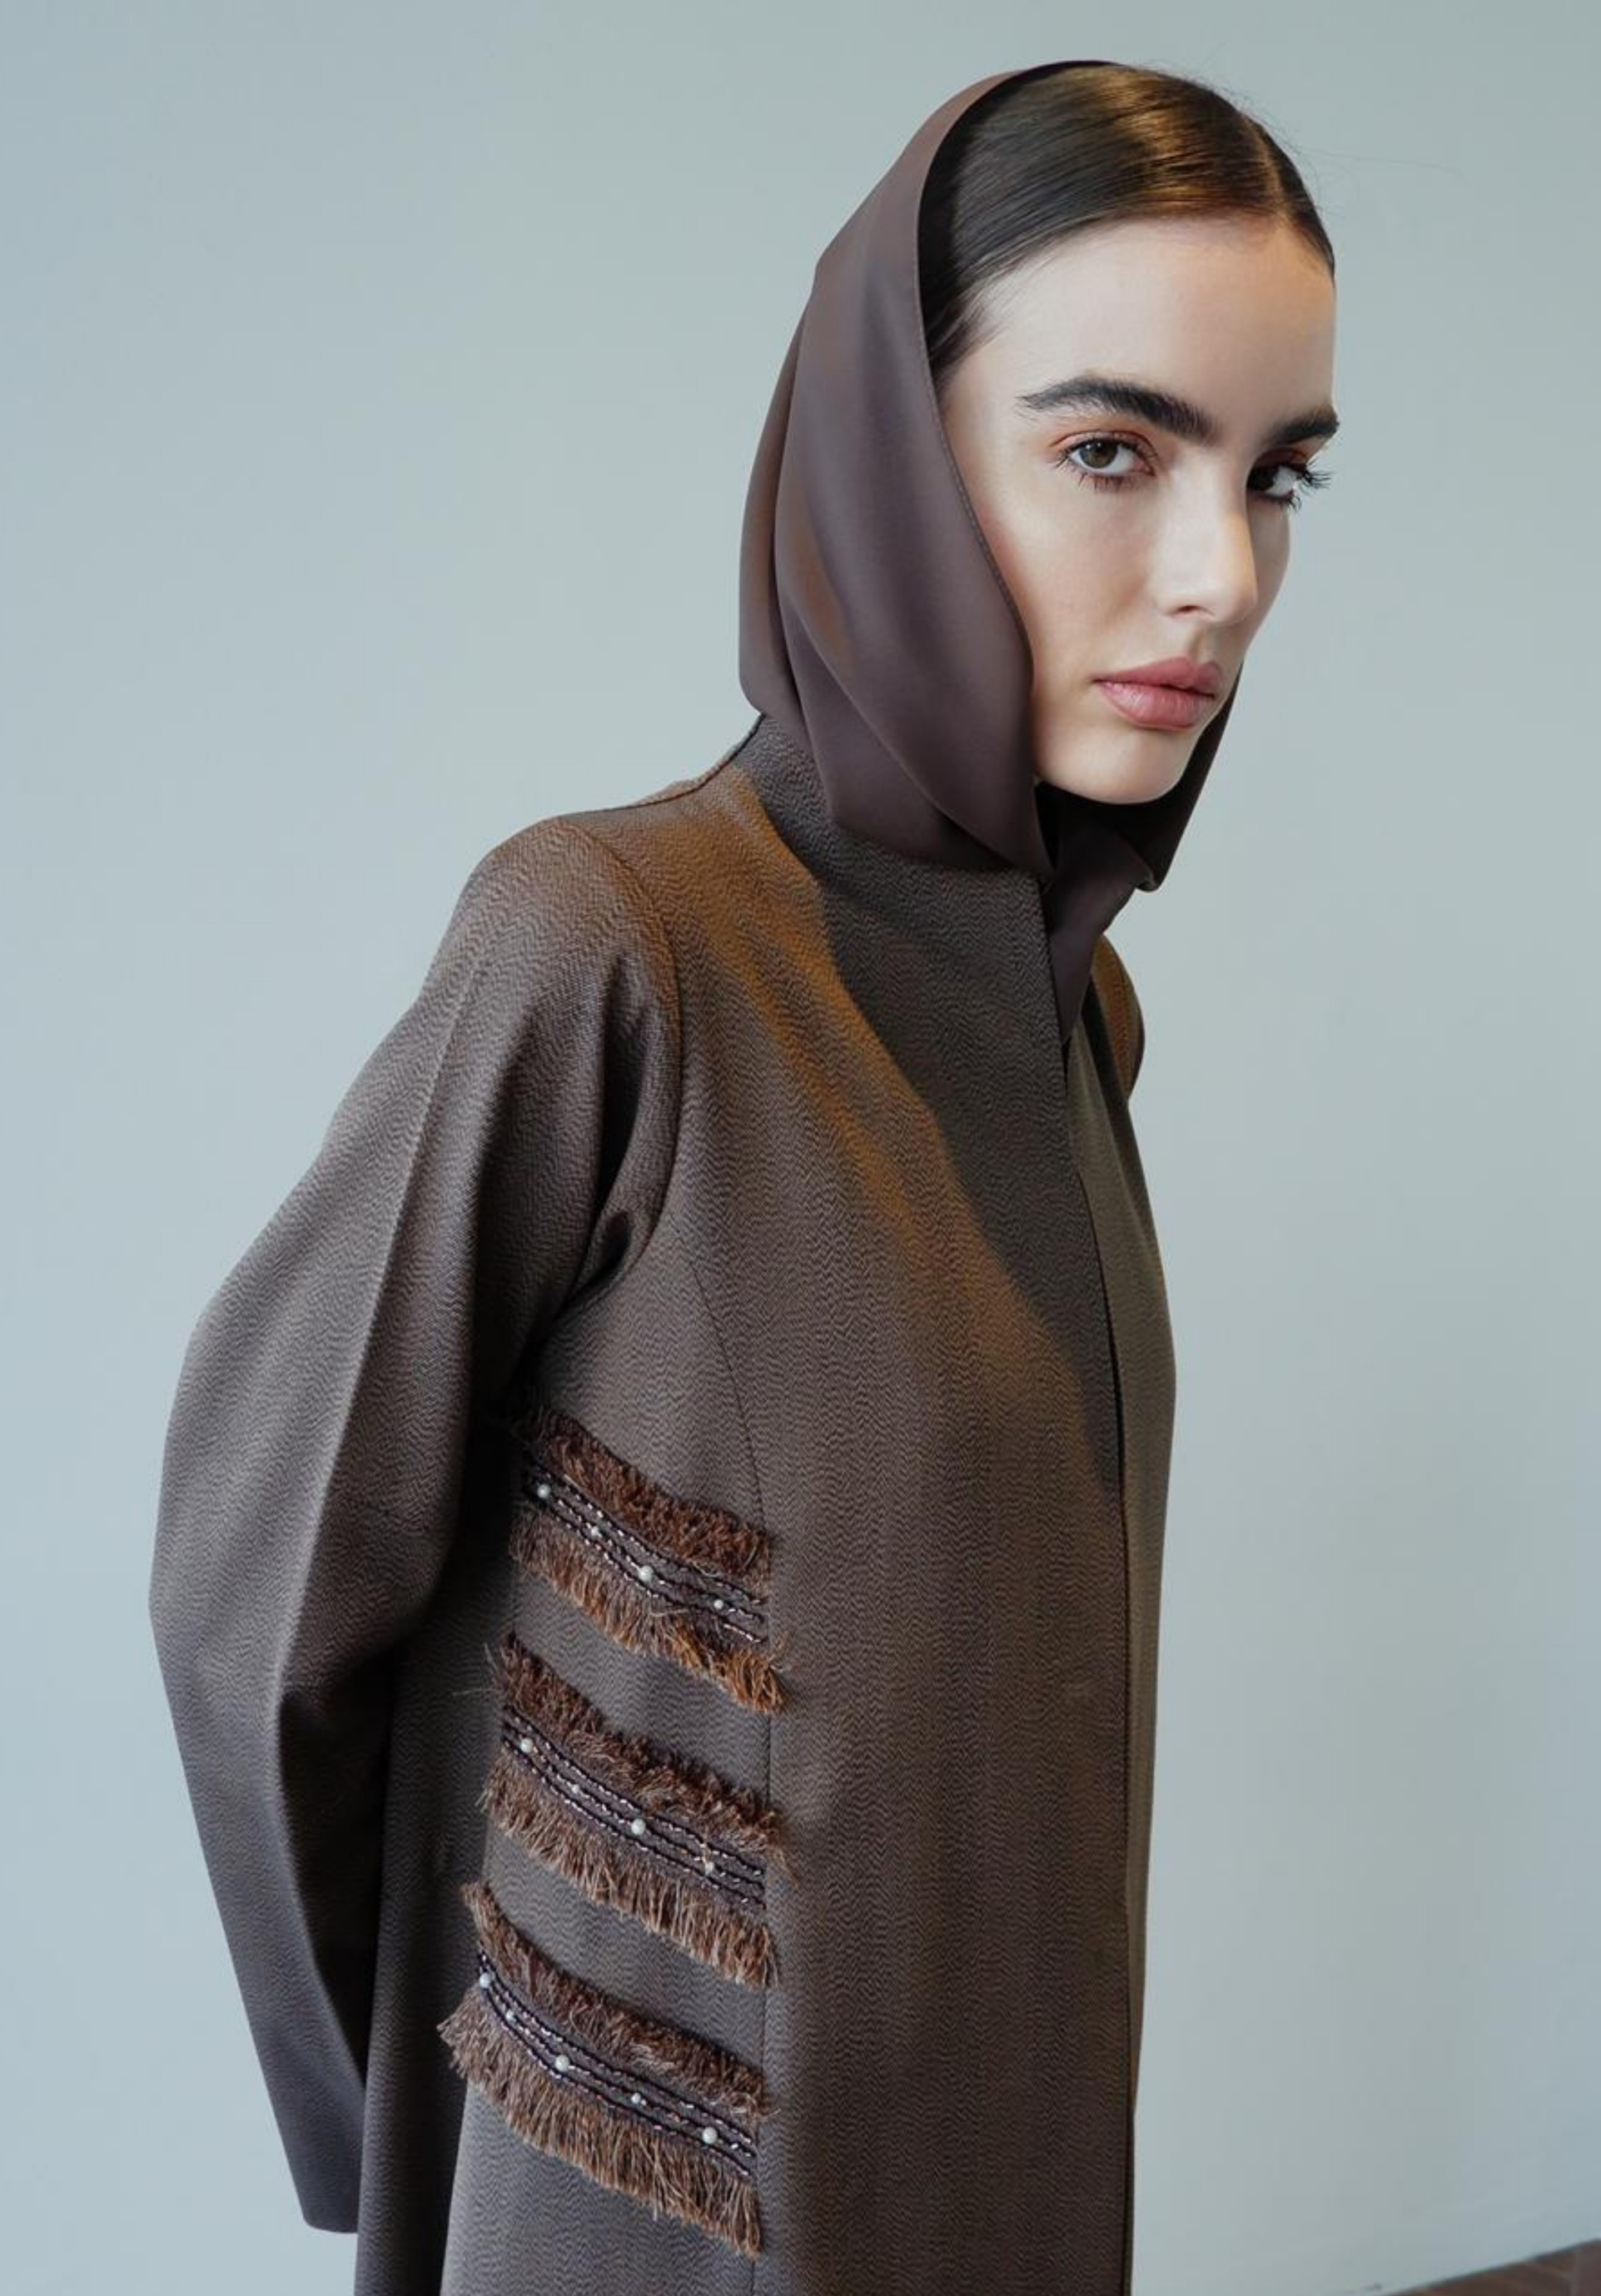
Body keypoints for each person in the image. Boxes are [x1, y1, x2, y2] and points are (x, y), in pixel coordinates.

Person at [149, 53, 1339, 2296]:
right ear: (891, 455)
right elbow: (260, 1598)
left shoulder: (1079, 1017)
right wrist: (431, 2120)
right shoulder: (621, 948)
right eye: (1112, 450)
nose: (1223, 575)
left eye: (1277, 476)